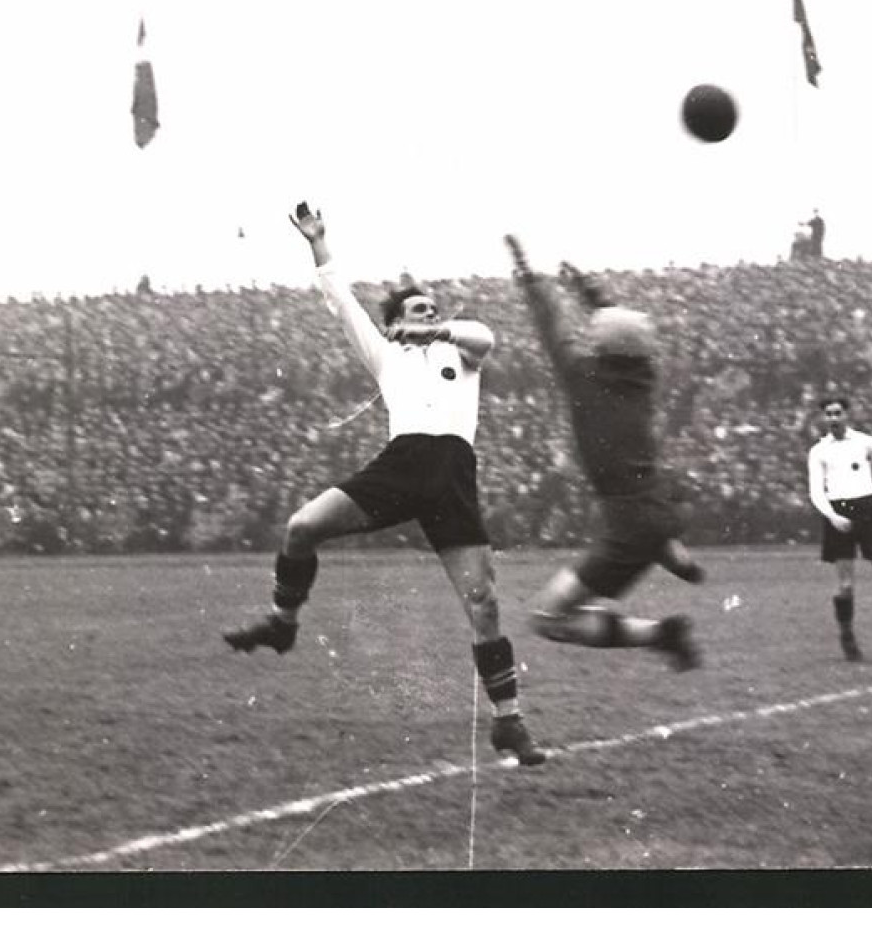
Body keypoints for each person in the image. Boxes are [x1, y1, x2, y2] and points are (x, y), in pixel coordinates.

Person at [223, 202, 547, 766]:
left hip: (450, 473)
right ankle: (283, 623)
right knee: (301, 528)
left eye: (434, 308)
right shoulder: (388, 355)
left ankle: (508, 722)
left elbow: (486, 336)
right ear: (398, 318)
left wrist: (437, 325)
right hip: (400, 466)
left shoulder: (459, 354)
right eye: (418, 308)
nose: (429, 313)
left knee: (484, 604)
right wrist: (317, 242)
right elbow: (340, 302)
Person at [505, 236, 703, 671]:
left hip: (629, 521)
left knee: (548, 618)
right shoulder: (645, 376)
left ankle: (662, 632)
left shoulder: (582, 377)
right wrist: (587, 289)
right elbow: (617, 324)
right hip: (656, 500)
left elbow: (549, 322)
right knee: (639, 528)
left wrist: (527, 273)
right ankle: (669, 550)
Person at [806, 395, 872, 661]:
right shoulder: (819, 451)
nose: (833, 419)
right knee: (846, 586)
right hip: (839, 513)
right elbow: (816, 491)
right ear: (823, 418)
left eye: (838, 413)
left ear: (848, 415)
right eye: (828, 414)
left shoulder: (865, 442)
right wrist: (832, 516)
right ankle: (848, 637)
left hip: (867, 511)